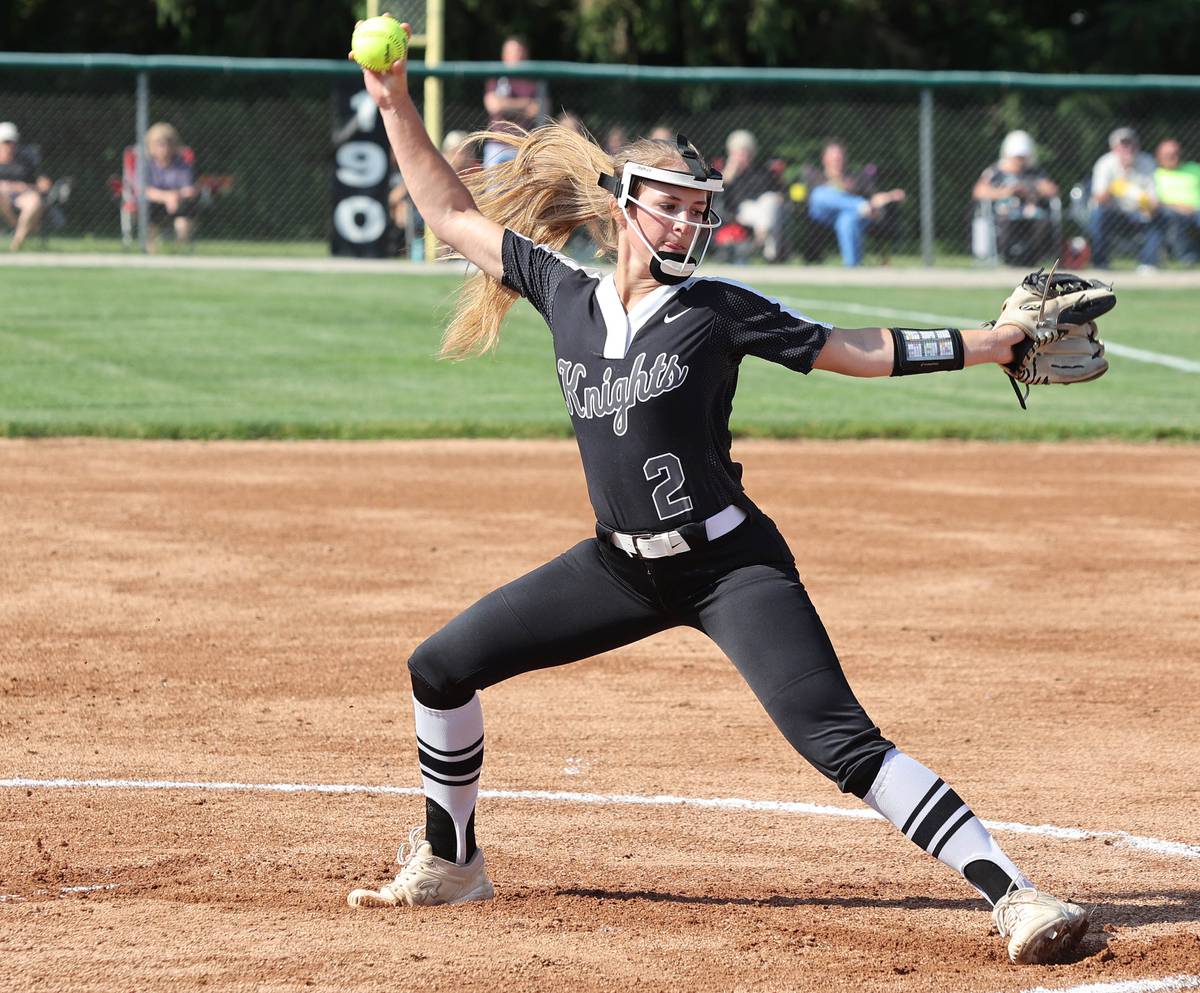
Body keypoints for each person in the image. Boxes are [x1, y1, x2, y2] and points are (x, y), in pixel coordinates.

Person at [345, 31, 1090, 968]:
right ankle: (453, 862)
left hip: (731, 567)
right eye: (672, 209)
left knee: (841, 743)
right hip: (619, 568)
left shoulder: (720, 310)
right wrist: (391, 99)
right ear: (623, 208)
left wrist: (988, 342)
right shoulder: (563, 291)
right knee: (440, 666)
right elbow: (448, 209)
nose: (691, 227)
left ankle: (1015, 894)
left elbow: (848, 349)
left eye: (700, 212)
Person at [806, 140, 906, 267]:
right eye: (833, 158)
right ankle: (859, 205)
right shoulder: (816, 175)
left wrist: (890, 195)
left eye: (839, 157)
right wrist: (840, 189)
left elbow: (873, 199)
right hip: (822, 216)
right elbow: (813, 199)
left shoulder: (856, 177)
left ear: (844, 158)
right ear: (824, 159)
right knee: (819, 194)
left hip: (851, 216)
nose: (836, 161)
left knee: (846, 220)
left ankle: (852, 268)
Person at [971, 130, 1060, 266]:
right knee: (1005, 222)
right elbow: (979, 191)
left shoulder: (1034, 172)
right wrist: (1005, 192)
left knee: (1043, 221)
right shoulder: (995, 171)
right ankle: (1006, 255)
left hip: (1030, 213)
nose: (1019, 161)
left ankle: (1034, 256)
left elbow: (1052, 189)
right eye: (1016, 157)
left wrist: (1029, 189)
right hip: (1004, 213)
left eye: (1022, 157)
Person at [1087, 126, 1162, 273]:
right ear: (1114, 148)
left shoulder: (1147, 162)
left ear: (1137, 146)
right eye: (1123, 145)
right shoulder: (1105, 163)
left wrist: (1148, 205)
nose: (1128, 149)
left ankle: (1148, 263)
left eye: (1131, 145)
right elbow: (1099, 198)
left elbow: (1154, 199)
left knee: (1159, 216)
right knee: (1098, 215)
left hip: (1138, 211)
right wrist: (1115, 188)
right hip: (1112, 211)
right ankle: (1100, 263)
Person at [717, 129, 784, 262]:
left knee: (769, 200)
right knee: (762, 209)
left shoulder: (762, 171)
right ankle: (769, 251)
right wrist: (730, 172)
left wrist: (778, 197)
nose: (743, 156)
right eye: (738, 153)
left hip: (764, 209)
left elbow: (779, 192)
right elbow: (719, 195)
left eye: (746, 152)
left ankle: (761, 237)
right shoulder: (725, 174)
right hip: (739, 212)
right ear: (731, 154)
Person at [482, 36, 549, 167]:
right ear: (504, 55)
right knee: (494, 187)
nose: (516, 56)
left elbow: (538, 110)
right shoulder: (497, 77)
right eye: (511, 52)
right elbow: (493, 106)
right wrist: (524, 105)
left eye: (519, 51)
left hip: (525, 147)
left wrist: (505, 104)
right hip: (498, 146)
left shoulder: (534, 81)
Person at [139, 122, 199, 251]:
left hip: (178, 204)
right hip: (155, 205)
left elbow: (189, 190)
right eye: (160, 143)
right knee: (146, 207)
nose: (164, 147)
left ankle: (179, 249)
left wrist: (175, 197)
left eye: (168, 143)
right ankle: (151, 250)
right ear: (151, 145)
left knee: (187, 210)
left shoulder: (182, 164)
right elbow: (144, 191)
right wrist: (167, 197)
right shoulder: (146, 165)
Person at [0, 121, 53, 252]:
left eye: (12, 141)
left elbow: (45, 184)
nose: (10, 145)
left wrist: (21, 187)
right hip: (3, 199)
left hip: (24, 195)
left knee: (35, 202)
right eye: (5, 141)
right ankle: (22, 228)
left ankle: (15, 245)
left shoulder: (28, 157)